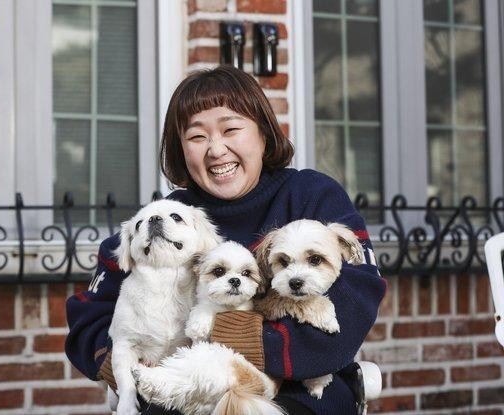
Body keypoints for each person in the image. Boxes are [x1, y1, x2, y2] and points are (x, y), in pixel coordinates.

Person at [66, 65, 386, 414]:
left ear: (263, 133)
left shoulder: (313, 196)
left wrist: (229, 334)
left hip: (301, 391)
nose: (216, 150)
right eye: (197, 136)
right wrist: (132, 366)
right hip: (187, 391)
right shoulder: (170, 219)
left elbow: (353, 306)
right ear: (181, 149)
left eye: (231, 128)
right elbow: (90, 318)